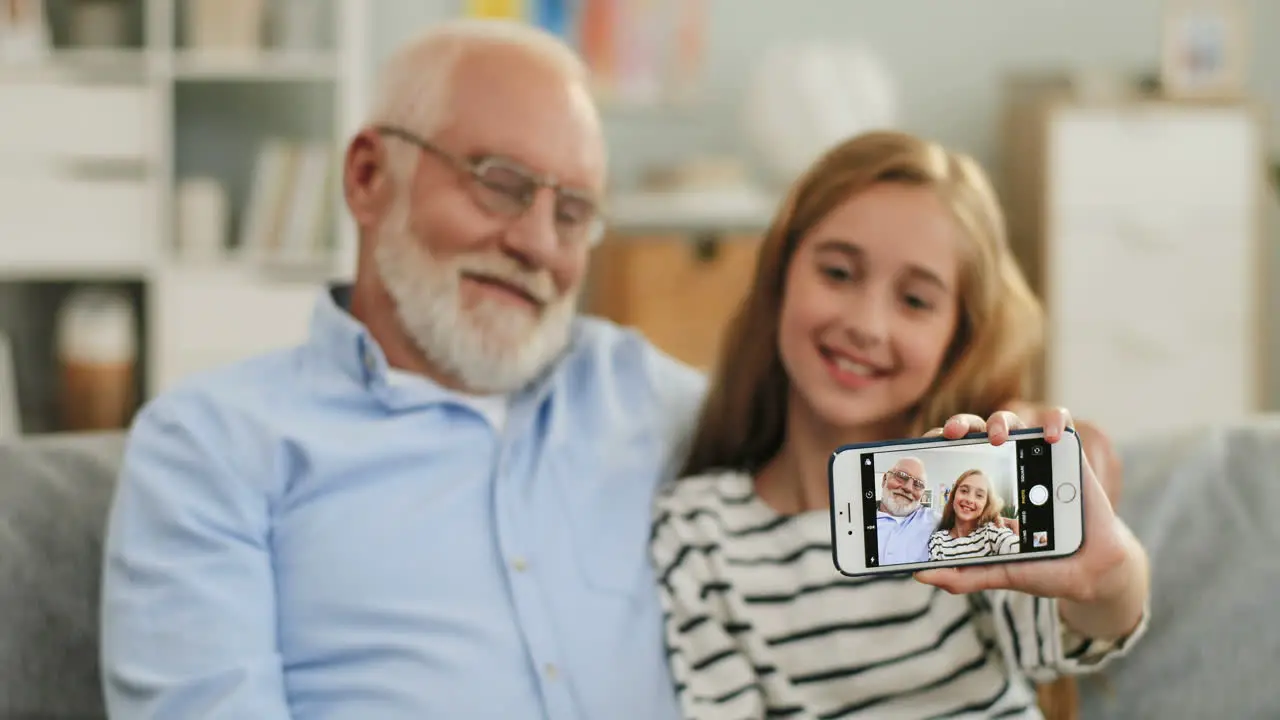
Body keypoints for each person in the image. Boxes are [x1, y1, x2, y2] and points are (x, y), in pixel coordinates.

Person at [98, 20, 708, 720]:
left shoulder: (637, 394)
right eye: (500, 184)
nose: (538, 244)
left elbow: (846, 462)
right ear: (367, 179)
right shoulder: (210, 446)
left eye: (572, 213)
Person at [651, 130, 1151, 718]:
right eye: (838, 273)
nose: (867, 324)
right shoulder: (696, 533)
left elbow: (1080, 632)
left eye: (915, 301)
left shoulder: (972, 491)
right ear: (782, 272)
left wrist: (1110, 574)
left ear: (958, 337)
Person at [929, 469, 1019, 560]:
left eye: (979, 495)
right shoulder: (938, 540)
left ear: (986, 504)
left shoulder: (991, 532)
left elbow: (1020, 553)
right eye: (964, 491)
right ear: (953, 496)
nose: (970, 500)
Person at [875, 456, 939, 564]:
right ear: (884, 479)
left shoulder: (936, 522)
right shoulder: (858, 520)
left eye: (918, 484)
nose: (908, 488)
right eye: (901, 476)